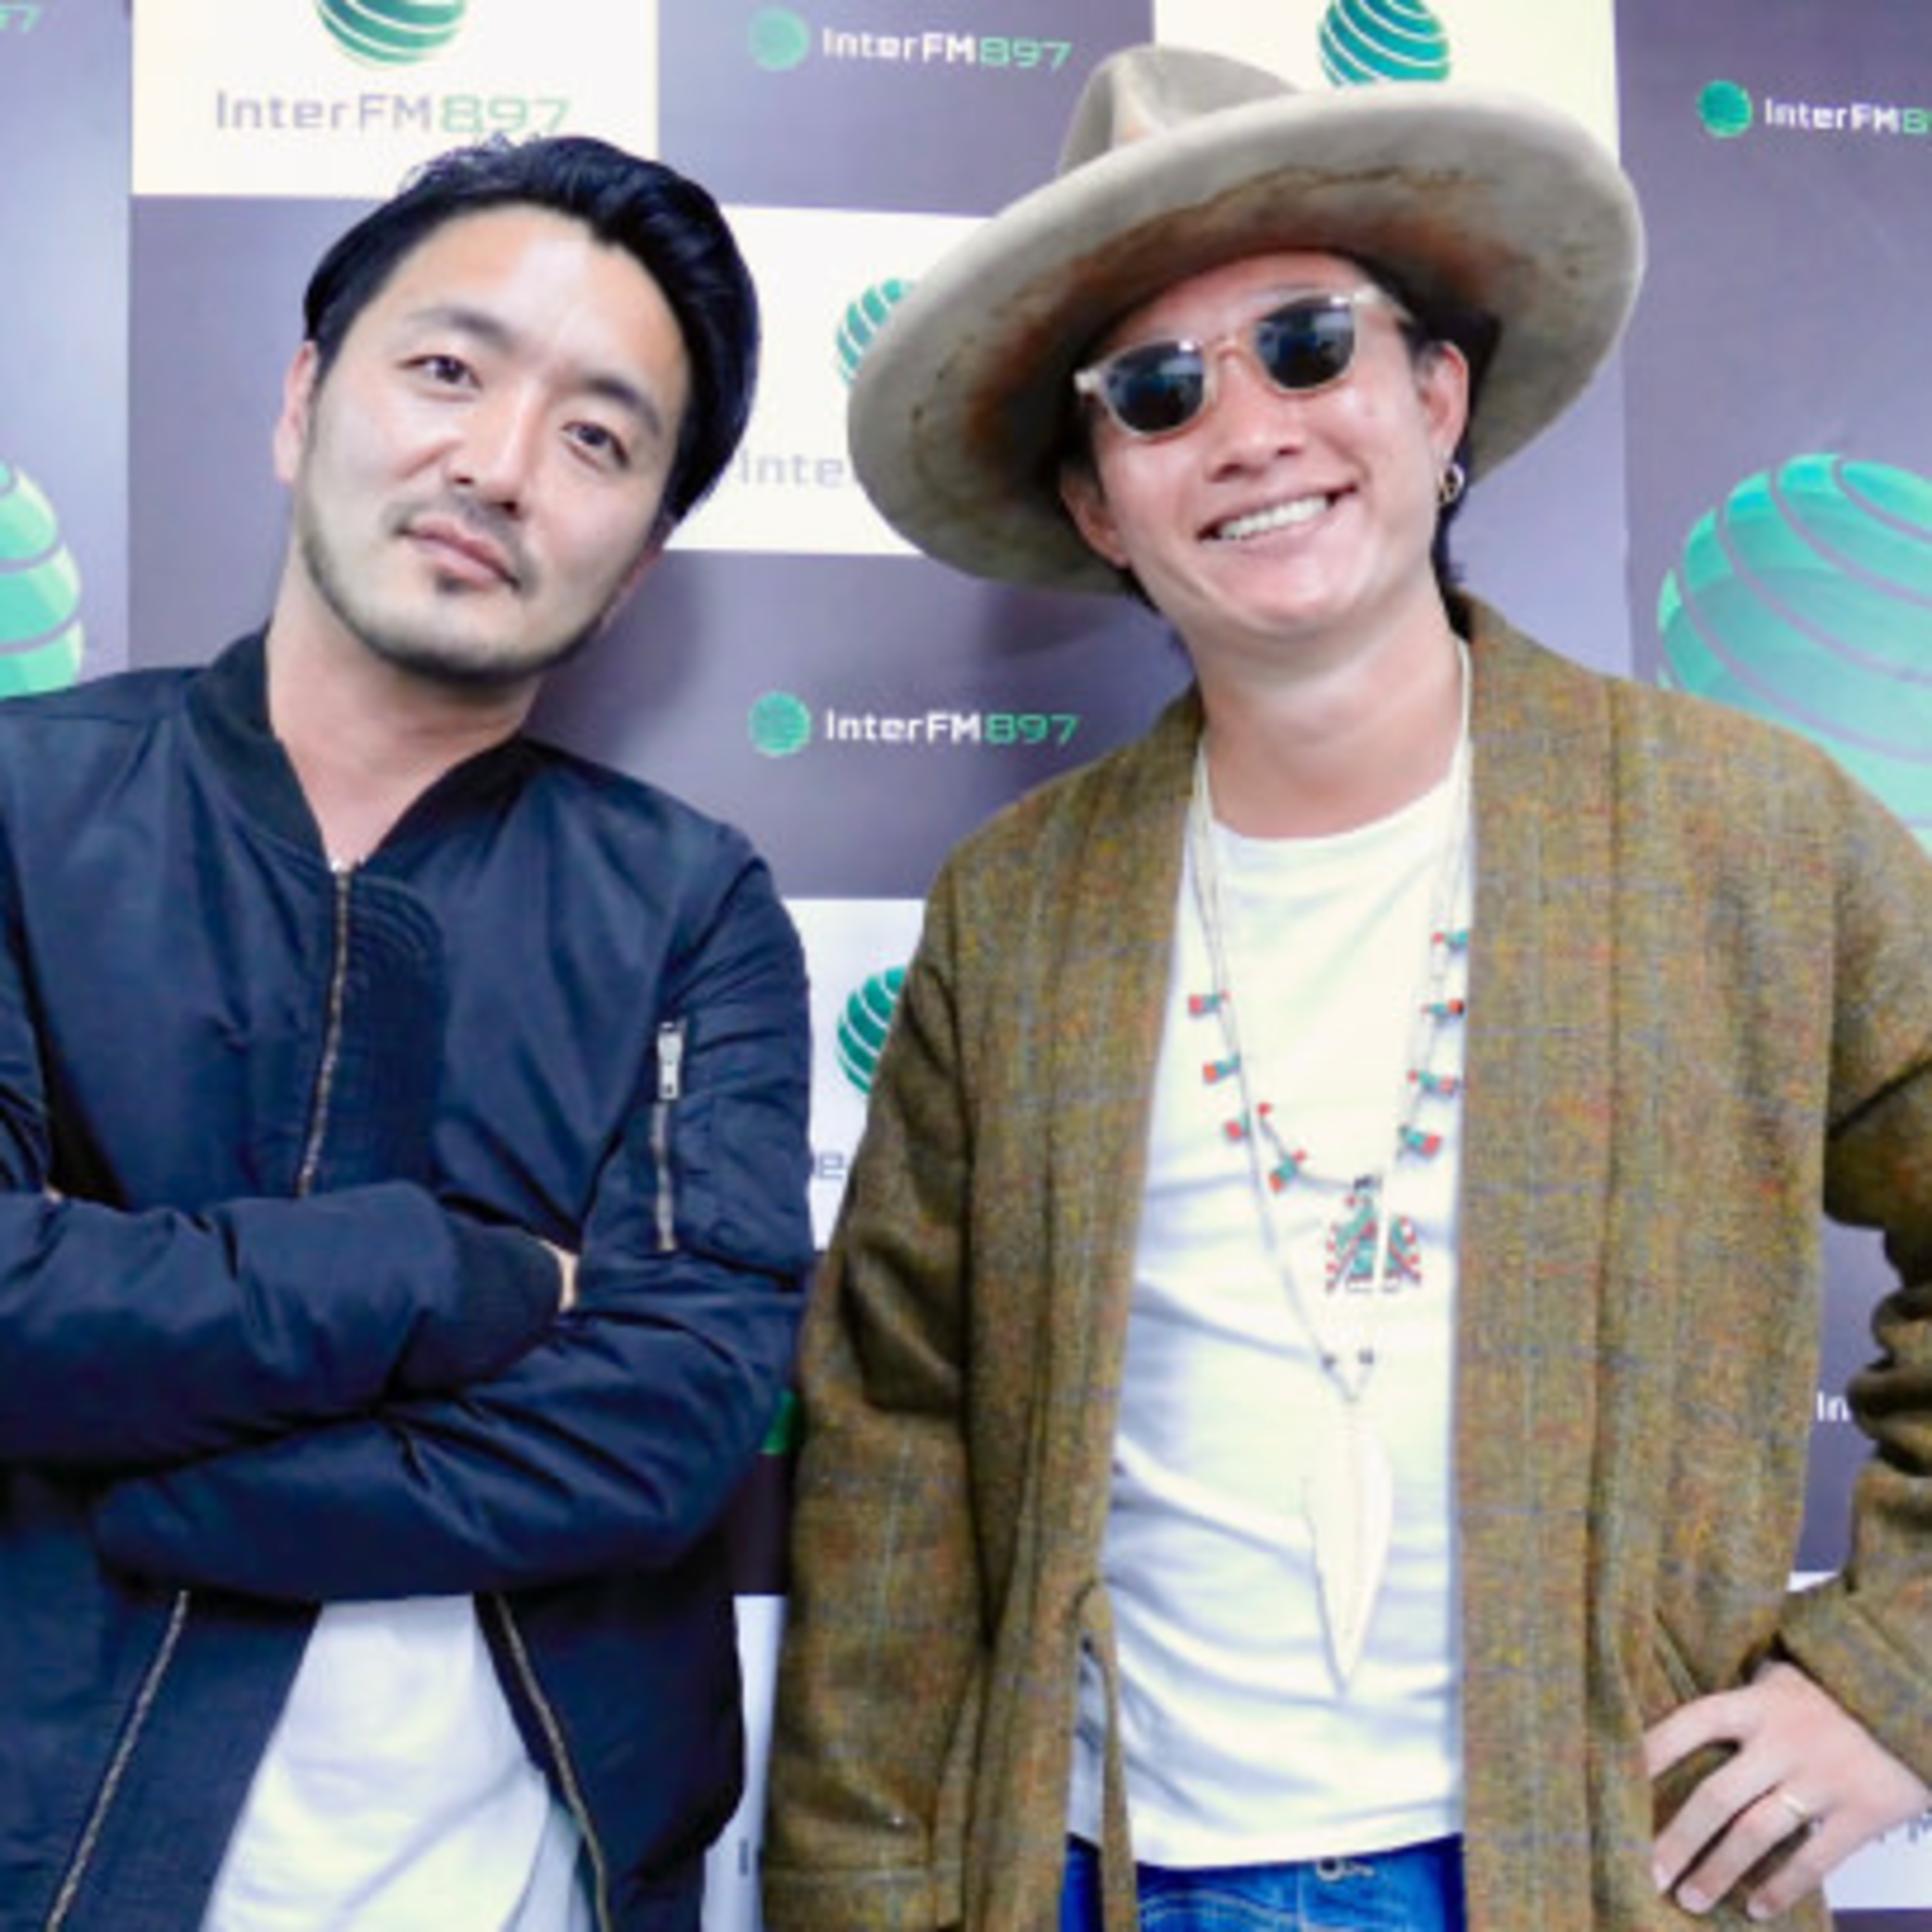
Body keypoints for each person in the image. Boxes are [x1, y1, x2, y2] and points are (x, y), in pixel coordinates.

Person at [761, 43, 1932, 1932]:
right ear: (1099, 503)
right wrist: (865, 1884)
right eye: (1158, 391)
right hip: (1102, 1875)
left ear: (1437, 394)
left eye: (1307, 346)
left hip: (1591, 1874)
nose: (1248, 430)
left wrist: (1897, 1677)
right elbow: (897, 1445)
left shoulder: (1748, 834)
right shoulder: (1020, 910)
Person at [0, 135, 813, 1931]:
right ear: (304, 402)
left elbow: (674, 1414)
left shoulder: (688, 905)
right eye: (447, 368)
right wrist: (461, 1277)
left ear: (639, 560)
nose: (498, 465)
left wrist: (129, 1479)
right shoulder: (21, 807)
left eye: (596, 439)